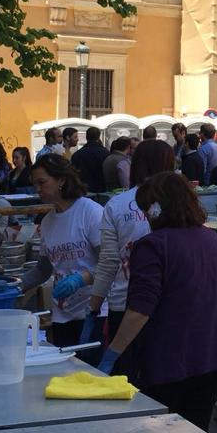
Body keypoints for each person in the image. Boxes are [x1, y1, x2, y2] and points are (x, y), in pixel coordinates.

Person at [96, 172, 217, 431]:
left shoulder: (153, 246)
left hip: (168, 362)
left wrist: (113, 352)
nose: (145, 215)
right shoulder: (213, 240)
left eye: (146, 208)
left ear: (156, 208)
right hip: (213, 357)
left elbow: (139, 310)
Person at [81, 140, 177, 354]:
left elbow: (108, 262)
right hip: (171, 303)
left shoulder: (117, 204)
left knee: (125, 377)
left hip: (124, 303)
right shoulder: (180, 204)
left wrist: (94, 307)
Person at [32, 155, 105, 349]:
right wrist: (16, 286)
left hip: (92, 312)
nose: (37, 189)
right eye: (34, 184)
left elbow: (109, 263)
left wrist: (81, 279)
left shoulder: (90, 212)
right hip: (63, 314)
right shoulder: (47, 222)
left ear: (61, 180)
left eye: (42, 182)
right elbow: (42, 269)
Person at [71, 125, 109, 193]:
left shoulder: (78, 154)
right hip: (102, 189)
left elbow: (73, 173)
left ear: (86, 137)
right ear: (98, 137)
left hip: (84, 189)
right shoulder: (106, 153)